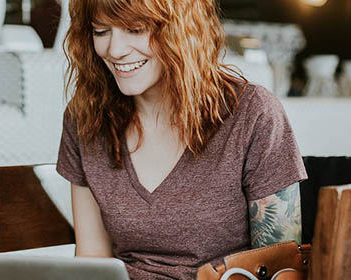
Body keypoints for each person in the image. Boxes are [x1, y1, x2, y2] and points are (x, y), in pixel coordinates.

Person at [56, 0, 307, 278]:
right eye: (100, 32)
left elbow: (283, 269)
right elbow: (93, 261)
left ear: (180, 29)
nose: (115, 50)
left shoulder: (253, 114)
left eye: (135, 29)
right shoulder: (85, 118)